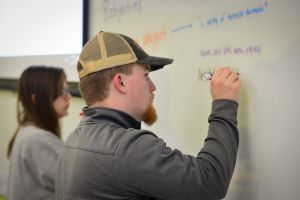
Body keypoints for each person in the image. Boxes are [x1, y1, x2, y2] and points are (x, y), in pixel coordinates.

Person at [56, 31, 240, 200]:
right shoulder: (126, 148)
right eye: (145, 75)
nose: (152, 87)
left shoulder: (75, 139)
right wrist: (224, 104)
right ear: (121, 82)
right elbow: (210, 182)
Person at [7, 65, 71, 200]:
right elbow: (74, 184)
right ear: (36, 99)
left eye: (67, 90)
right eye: (61, 91)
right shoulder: (39, 139)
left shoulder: (28, 129)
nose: (68, 97)